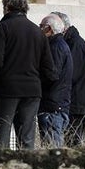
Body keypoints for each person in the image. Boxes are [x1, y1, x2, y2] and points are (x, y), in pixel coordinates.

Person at [0, 0, 56, 149]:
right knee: (26, 140)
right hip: (32, 91)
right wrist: (38, 84)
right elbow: (49, 70)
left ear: (7, 7)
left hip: (7, 90)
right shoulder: (38, 32)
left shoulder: (2, 28)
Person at [53, 11, 85, 146]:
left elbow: (70, 73)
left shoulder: (74, 43)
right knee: (76, 143)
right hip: (81, 103)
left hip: (79, 105)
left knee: (75, 143)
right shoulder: (73, 42)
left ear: (62, 27)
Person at [37, 14, 73, 148]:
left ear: (49, 29)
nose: (39, 30)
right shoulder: (61, 45)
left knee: (52, 150)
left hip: (52, 107)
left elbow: (52, 75)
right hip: (57, 105)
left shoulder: (55, 47)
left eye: (41, 27)